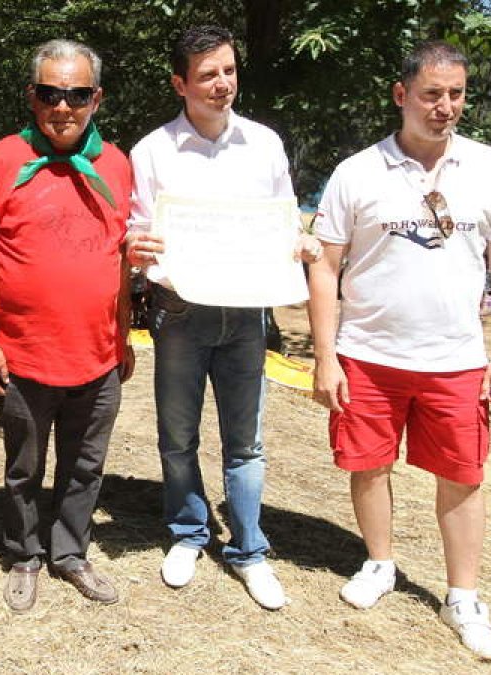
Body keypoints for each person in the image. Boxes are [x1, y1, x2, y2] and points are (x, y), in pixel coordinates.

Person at [306, 41, 491, 662]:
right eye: (432, 94)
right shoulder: (357, 172)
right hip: (367, 354)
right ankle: (380, 563)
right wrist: (326, 355)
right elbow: (324, 266)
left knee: (462, 476)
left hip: (455, 359)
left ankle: (463, 596)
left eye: (455, 94)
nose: (445, 107)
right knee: (367, 465)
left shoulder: (488, 167)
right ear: (402, 95)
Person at [125, 25, 320, 610]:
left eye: (229, 71)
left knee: (246, 443)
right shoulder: (152, 150)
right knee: (177, 439)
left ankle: (249, 550)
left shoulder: (264, 144)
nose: (222, 84)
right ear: (180, 83)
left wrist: (300, 243)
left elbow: (285, 221)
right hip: (180, 311)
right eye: (208, 74)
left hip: (247, 313)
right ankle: (188, 533)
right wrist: (139, 248)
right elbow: (139, 227)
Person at [0, 39, 133, 612]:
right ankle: (24, 554)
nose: (64, 107)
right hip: (25, 355)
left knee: (85, 466)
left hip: (98, 354)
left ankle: (71, 553)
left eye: (77, 94)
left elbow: (120, 255)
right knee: (23, 469)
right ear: (32, 97)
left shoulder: (118, 164)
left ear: (96, 99)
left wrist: (124, 334)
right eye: (51, 94)